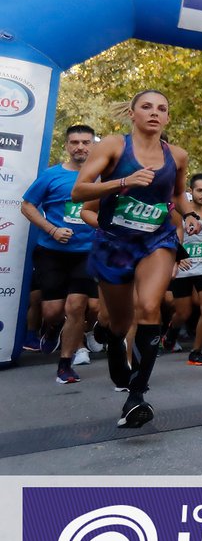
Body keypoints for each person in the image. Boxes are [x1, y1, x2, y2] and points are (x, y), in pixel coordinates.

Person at [73, 90, 201, 428]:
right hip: (114, 243)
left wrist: (189, 214)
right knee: (119, 321)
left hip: (156, 240)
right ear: (132, 113)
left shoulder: (177, 155)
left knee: (148, 307)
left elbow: (177, 194)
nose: (154, 113)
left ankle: (137, 396)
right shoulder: (114, 146)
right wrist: (123, 182)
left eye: (162, 108)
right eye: (146, 107)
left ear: (168, 118)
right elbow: (79, 191)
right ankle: (113, 337)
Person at [21, 124, 99, 384]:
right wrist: (52, 230)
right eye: (75, 142)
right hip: (52, 252)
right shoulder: (51, 175)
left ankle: (65, 364)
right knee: (53, 311)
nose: (80, 147)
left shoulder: (101, 178)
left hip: (86, 252)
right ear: (67, 146)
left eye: (85, 142)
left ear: (93, 146)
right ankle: (53, 326)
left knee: (76, 306)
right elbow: (27, 205)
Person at [168, 173, 202, 367]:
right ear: (191, 191)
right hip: (184, 267)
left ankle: (196, 352)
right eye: (200, 190)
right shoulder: (180, 211)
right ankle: (171, 332)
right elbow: (173, 235)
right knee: (183, 313)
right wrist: (177, 259)